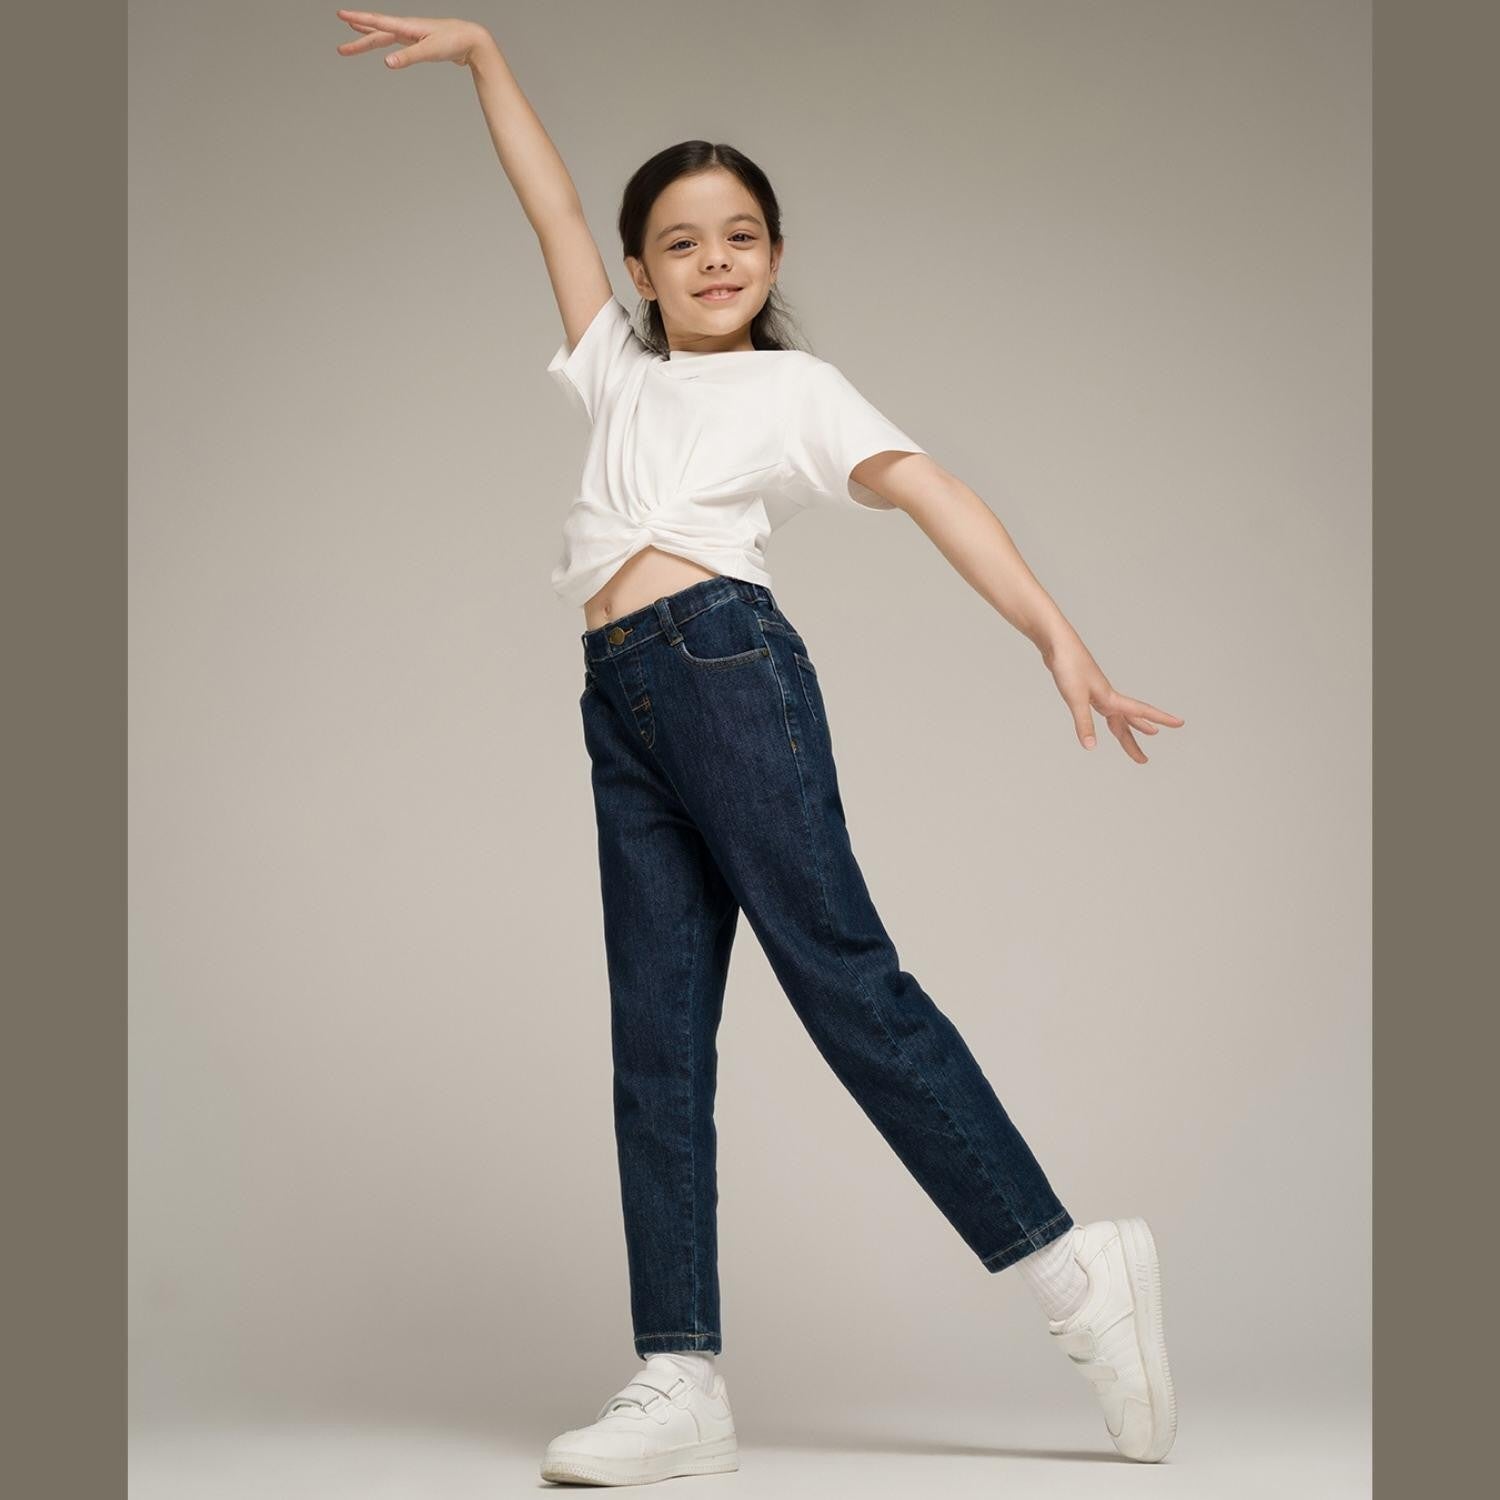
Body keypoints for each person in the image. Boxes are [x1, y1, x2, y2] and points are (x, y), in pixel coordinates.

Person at [337, 10, 1186, 1486]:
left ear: (775, 257)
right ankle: (679, 1375)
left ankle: (1072, 1272)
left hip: (726, 671)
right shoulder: (616, 367)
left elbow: (933, 490)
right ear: (642, 268)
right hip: (620, 698)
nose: (714, 259)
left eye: (740, 237)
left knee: (845, 982)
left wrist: (1056, 637)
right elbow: (550, 207)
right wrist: (484, 60)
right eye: (680, 242)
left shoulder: (795, 390)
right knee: (655, 1040)